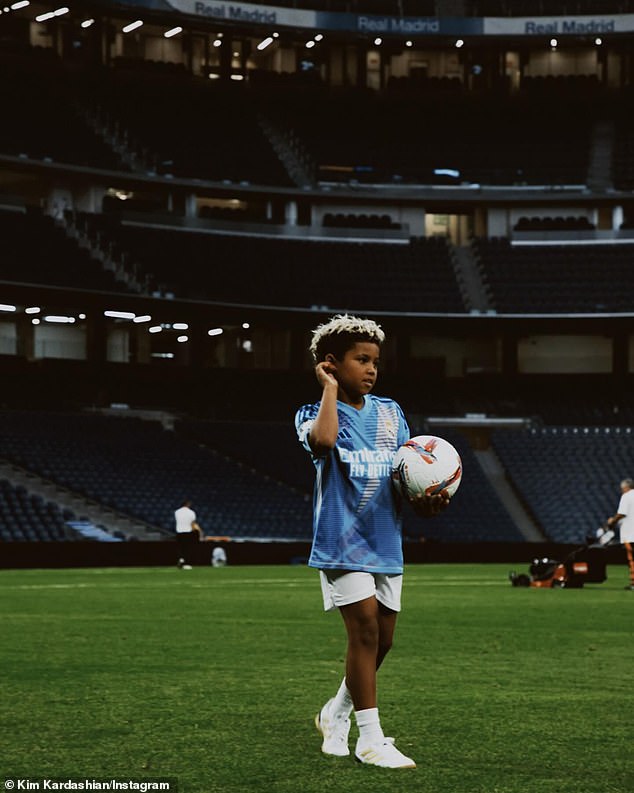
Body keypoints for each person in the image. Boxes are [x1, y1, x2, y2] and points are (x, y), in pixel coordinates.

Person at [294, 314, 448, 769]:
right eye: (361, 360)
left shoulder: (391, 412)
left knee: (382, 641)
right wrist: (326, 390)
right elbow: (323, 443)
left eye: (375, 362)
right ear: (331, 364)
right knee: (363, 631)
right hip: (341, 540)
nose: (371, 369)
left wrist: (426, 500)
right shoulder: (311, 413)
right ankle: (371, 739)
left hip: (385, 539)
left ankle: (335, 712)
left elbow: (404, 476)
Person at [606, 478, 634, 590]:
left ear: (625, 487)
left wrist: (612, 521)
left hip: (630, 534)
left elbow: (621, 513)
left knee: (632, 559)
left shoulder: (627, 496)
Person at [174, 498, 202, 570]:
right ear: (188, 504)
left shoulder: (177, 512)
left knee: (180, 548)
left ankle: (181, 559)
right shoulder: (191, 512)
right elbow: (193, 524)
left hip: (179, 532)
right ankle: (186, 563)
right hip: (188, 532)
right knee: (187, 549)